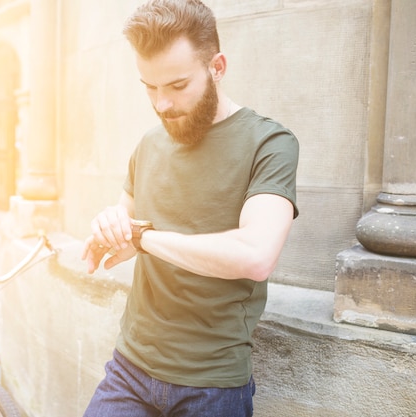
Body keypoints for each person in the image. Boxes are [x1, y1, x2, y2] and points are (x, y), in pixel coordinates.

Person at [81, 0, 299, 416]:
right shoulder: (148, 143)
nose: (162, 104)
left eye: (178, 86)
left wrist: (144, 238)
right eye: (150, 87)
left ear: (217, 67)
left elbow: (255, 256)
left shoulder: (269, 144)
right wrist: (107, 225)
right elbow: (123, 226)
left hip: (211, 384)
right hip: (129, 368)